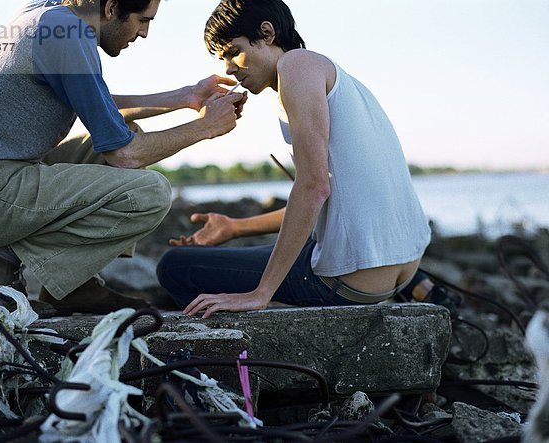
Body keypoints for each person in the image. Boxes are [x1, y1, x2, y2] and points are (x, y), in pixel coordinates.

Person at [0, 0, 247, 313]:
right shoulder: (68, 33)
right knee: (150, 192)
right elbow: (124, 155)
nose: (144, 33)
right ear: (111, 8)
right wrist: (205, 127)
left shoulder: (51, 17)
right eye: (142, 20)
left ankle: (72, 286)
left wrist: (187, 97)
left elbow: (96, 102)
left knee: (124, 129)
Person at [156, 0, 446, 319]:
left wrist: (260, 294)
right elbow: (326, 198)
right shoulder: (334, 76)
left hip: (349, 282)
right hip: (400, 265)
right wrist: (234, 227)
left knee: (176, 266)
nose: (228, 68)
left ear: (267, 33)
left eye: (232, 51)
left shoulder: (295, 66)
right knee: (293, 246)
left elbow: (314, 188)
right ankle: (414, 284)